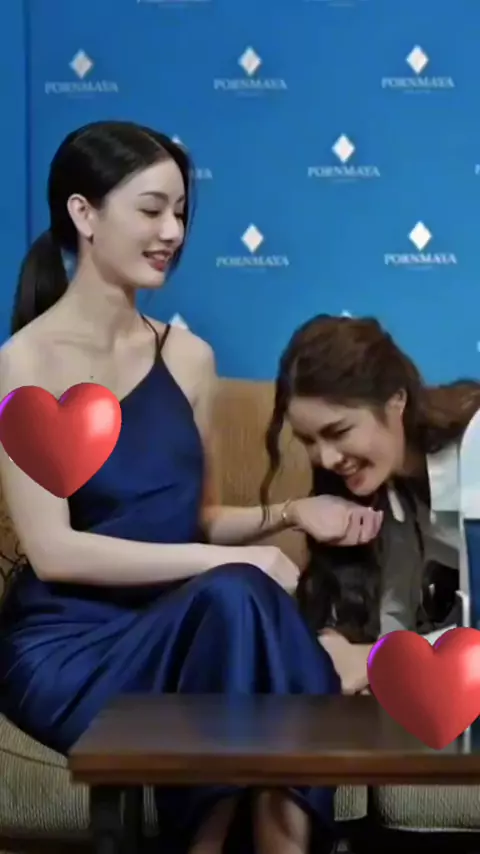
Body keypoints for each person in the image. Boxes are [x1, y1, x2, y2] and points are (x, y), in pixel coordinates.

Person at [0, 122, 383, 854]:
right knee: (238, 596)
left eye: (180, 212)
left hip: (186, 628)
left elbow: (194, 520)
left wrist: (292, 513)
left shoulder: (189, 358)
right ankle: (304, 739)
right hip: (72, 648)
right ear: (84, 213)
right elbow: (53, 552)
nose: (172, 232)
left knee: (235, 604)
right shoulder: (25, 363)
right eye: (151, 210)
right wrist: (237, 563)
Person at [261, 313, 480, 695]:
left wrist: (377, 659)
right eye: (309, 441)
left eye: (339, 431)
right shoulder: (388, 492)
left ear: (397, 399)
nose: (327, 459)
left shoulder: (473, 451)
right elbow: (397, 613)